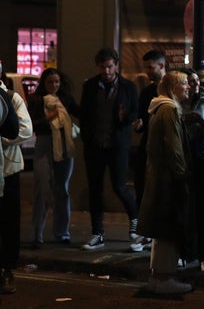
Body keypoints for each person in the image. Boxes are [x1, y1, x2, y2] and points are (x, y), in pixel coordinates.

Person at [136, 71, 194, 295]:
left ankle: (158, 275)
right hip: (168, 178)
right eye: (184, 84)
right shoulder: (169, 109)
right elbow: (173, 147)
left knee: (161, 229)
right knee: (168, 228)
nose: (188, 87)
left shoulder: (159, 107)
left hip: (160, 175)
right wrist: (182, 175)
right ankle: (164, 276)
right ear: (172, 87)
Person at [78, 47, 140, 251]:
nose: (106, 71)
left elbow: (134, 112)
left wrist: (126, 117)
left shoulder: (127, 86)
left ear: (116, 65)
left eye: (110, 66)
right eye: (103, 67)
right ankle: (97, 233)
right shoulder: (91, 87)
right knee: (94, 189)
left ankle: (135, 221)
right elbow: (84, 113)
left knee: (119, 186)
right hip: (95, 145)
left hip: (117, 145)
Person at [28, 69, 80, 247]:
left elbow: (80, 112)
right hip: (44, 145)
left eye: (57, 81)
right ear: (44, 83)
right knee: (42, 189)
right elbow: (30, 125)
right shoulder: (36, 100)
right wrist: (48, 118)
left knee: (62, 190)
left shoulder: (65, 99)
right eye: (50, 82)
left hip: (64, 146)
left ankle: (62, 233)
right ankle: (37, 234)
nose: (54, 85)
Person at [181, 68, 204, 271]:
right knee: (186, 206)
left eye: (196, 81)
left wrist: (202, 122)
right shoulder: (178, 101)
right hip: (185, 156)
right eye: (189, 81)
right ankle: (187, 251)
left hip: (203, 156)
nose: (194, 85)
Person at [1, 76, 32, 294]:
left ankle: (8, 269)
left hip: (8, 169)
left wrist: (2, 140)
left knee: (9, 221)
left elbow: (24, 130)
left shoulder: (12, 98)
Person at [133, 49, 167, 212]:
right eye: (145, 67)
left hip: (165, 146)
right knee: (143, 186)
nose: (147, 71)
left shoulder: (173, 88)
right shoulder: (146, 92)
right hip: (148, 145)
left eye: (150, 67)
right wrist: (138, 124)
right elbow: (141, 119)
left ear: (161, 65)